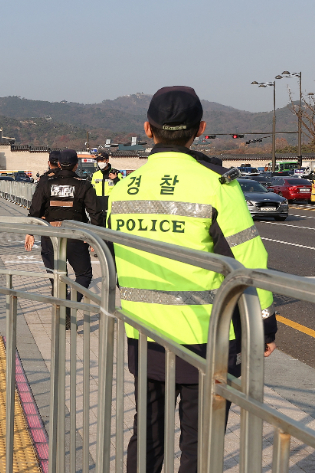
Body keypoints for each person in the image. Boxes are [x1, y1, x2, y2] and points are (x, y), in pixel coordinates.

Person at [107, 86, 278, 473]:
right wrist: (265, 323)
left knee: (147, 433)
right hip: (207, 336)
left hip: (142, 331)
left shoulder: (123, 188)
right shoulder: (217, 184)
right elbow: (248, 260)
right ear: (199, 129)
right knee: (201, 440)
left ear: (148, 130)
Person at [24, 149, 101, 329]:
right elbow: (95, 213)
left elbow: (35, 209)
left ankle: (63, 305)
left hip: (51, 234)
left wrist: (30, 232)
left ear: (58, 164)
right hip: (75, 235)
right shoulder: (83, 185)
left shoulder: (46, 183)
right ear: (76, 165)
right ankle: (70, 304)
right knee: (84, 274)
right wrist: (93, 237)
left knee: (57, 274)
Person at [91, 150, 121, 226]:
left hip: (112, 209)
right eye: (98, 160)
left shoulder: (116, 173)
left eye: (102, 160)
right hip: (98, 210)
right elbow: (92, 191)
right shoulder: (95, 175)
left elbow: (122, 188)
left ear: (107, 160)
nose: (100, 162)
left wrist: (115, 179)